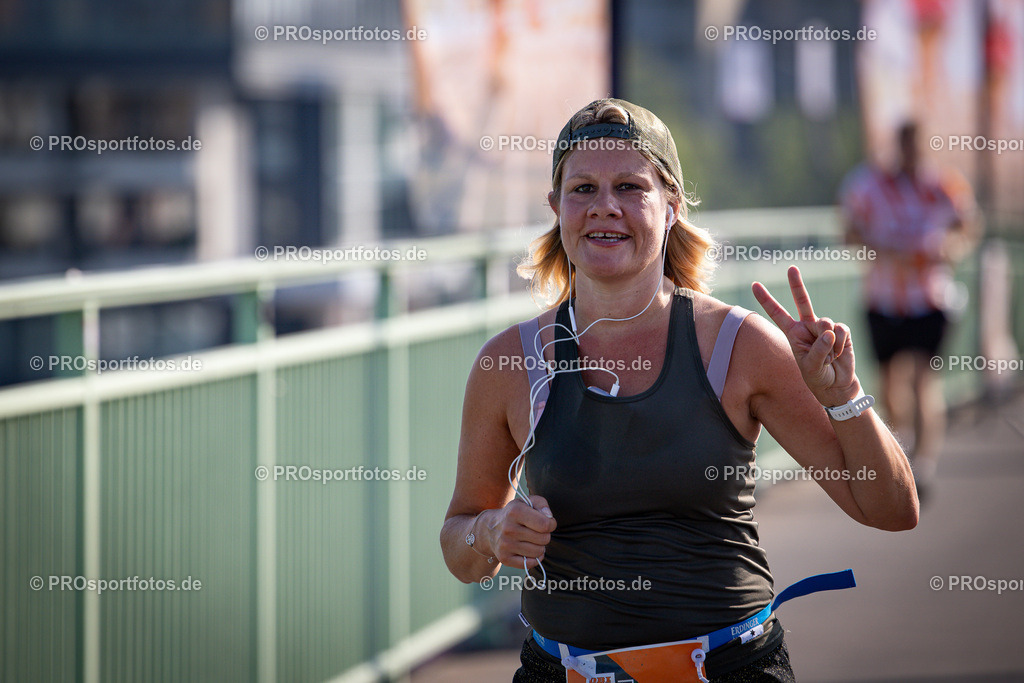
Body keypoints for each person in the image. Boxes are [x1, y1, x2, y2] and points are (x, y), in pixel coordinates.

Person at [442, 98, 919, 682]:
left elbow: (892, 509)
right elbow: (459, 545)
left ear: (671, 207)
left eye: (629, 186)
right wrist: (491, 531)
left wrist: (844, 396)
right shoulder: (511, 362)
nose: (605, 208)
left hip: (730, 668)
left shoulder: (737, 345)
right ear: (556, 208)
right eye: (583, 188)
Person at [840, 121, 978, 502]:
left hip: (929, 300)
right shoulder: (868, 184)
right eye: (905, 145)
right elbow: (848, 230)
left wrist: (948, 247)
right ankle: (899, 452)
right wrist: (881, 251)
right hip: (882, 298)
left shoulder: (943, 184)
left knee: (922, 379)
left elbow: (968, 227)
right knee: (888, 384)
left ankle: (924, 465)